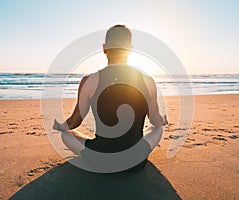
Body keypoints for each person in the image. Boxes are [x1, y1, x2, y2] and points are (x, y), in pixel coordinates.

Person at [53, 25, 167, 172]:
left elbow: (75, 121)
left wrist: (61, 127)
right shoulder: (147, 80)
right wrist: (162, 120)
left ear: (104, 48)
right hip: (136, 161)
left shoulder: (89, 81)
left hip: (100, 161)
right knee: (157, 129)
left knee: (66, 135)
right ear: (130, 49)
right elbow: (154, 120)